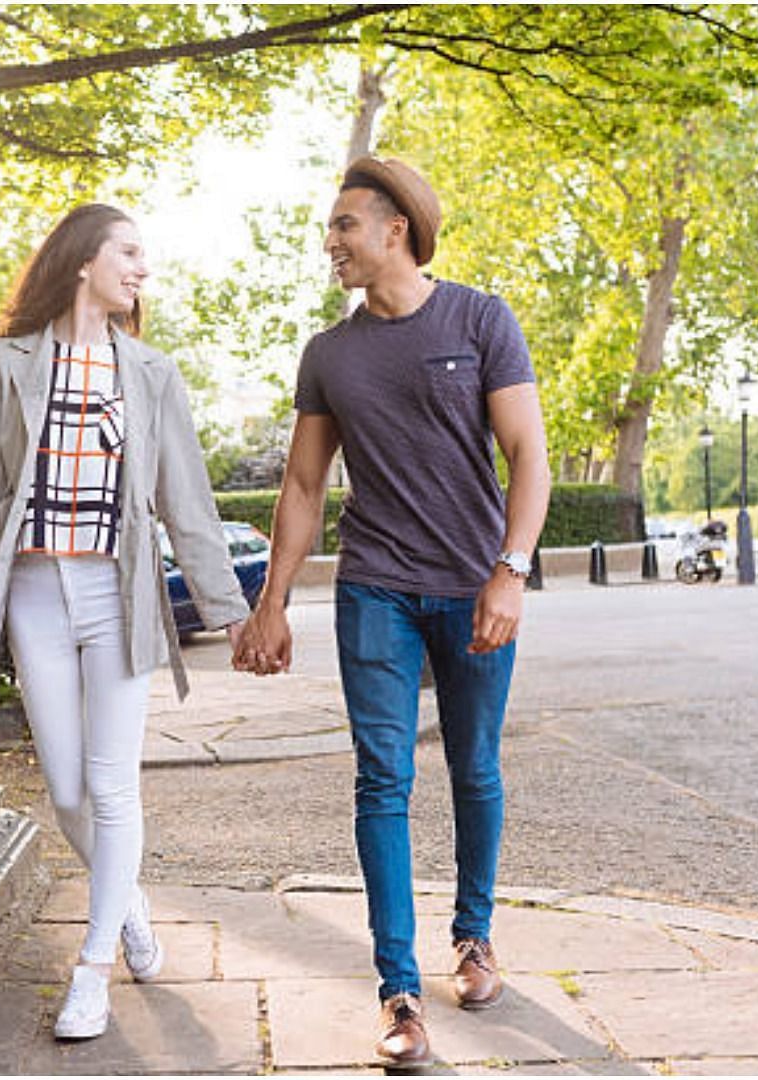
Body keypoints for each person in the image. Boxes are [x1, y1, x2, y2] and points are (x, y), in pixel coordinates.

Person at [232, 156, 550, 1065]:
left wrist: (511, 572)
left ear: (395, 230)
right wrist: (272, 602)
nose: (330, 243)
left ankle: (474, 936)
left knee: (475, 768)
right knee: (382, 779)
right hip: (374, 586)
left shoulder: (480, 318)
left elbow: (529, 455)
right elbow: (302, 482)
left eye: (344, 227)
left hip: (473, 586)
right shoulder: (329, 354)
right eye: (331, 230)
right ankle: (399, 990)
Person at [0, 204, 249, 1042]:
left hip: (118, 595)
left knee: (112, 786)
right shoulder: (6, 363)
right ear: (83, 261)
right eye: (129, 252)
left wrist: (229, 613)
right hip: (34, 593)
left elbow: (186, 498)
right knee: (67, 787)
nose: (142, 269)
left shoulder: (150, 372)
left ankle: (94, 967)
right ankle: (133, 911)